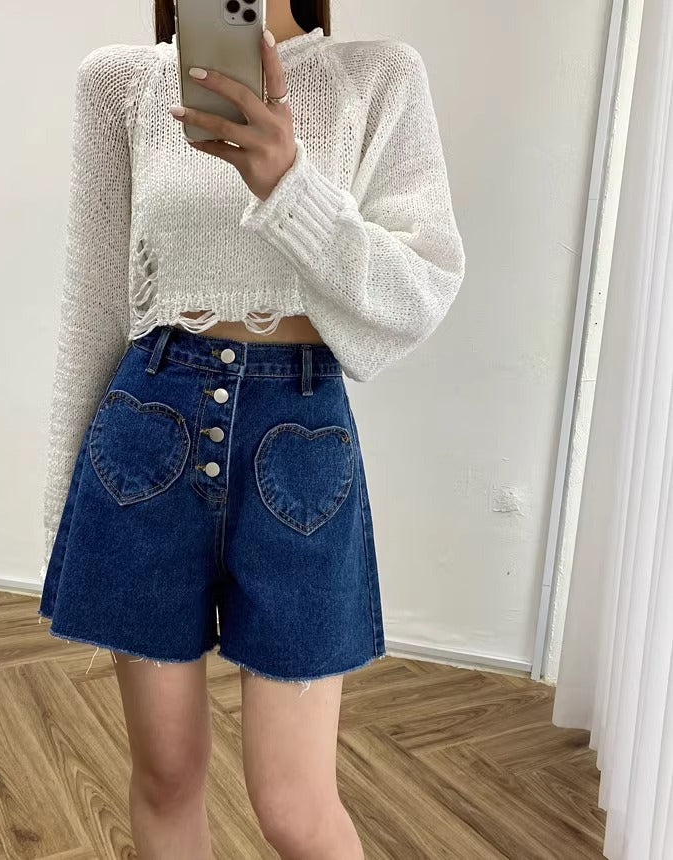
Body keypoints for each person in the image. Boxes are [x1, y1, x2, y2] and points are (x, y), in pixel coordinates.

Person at [37, 0, 465, 856]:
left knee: (294, 806)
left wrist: (289, 183)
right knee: (166, 775)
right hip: (143, 440)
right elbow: (93, 303)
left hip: (301, 448)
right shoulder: (119, 83)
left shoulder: (378, 77)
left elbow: (420, 292)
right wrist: (64, 513)